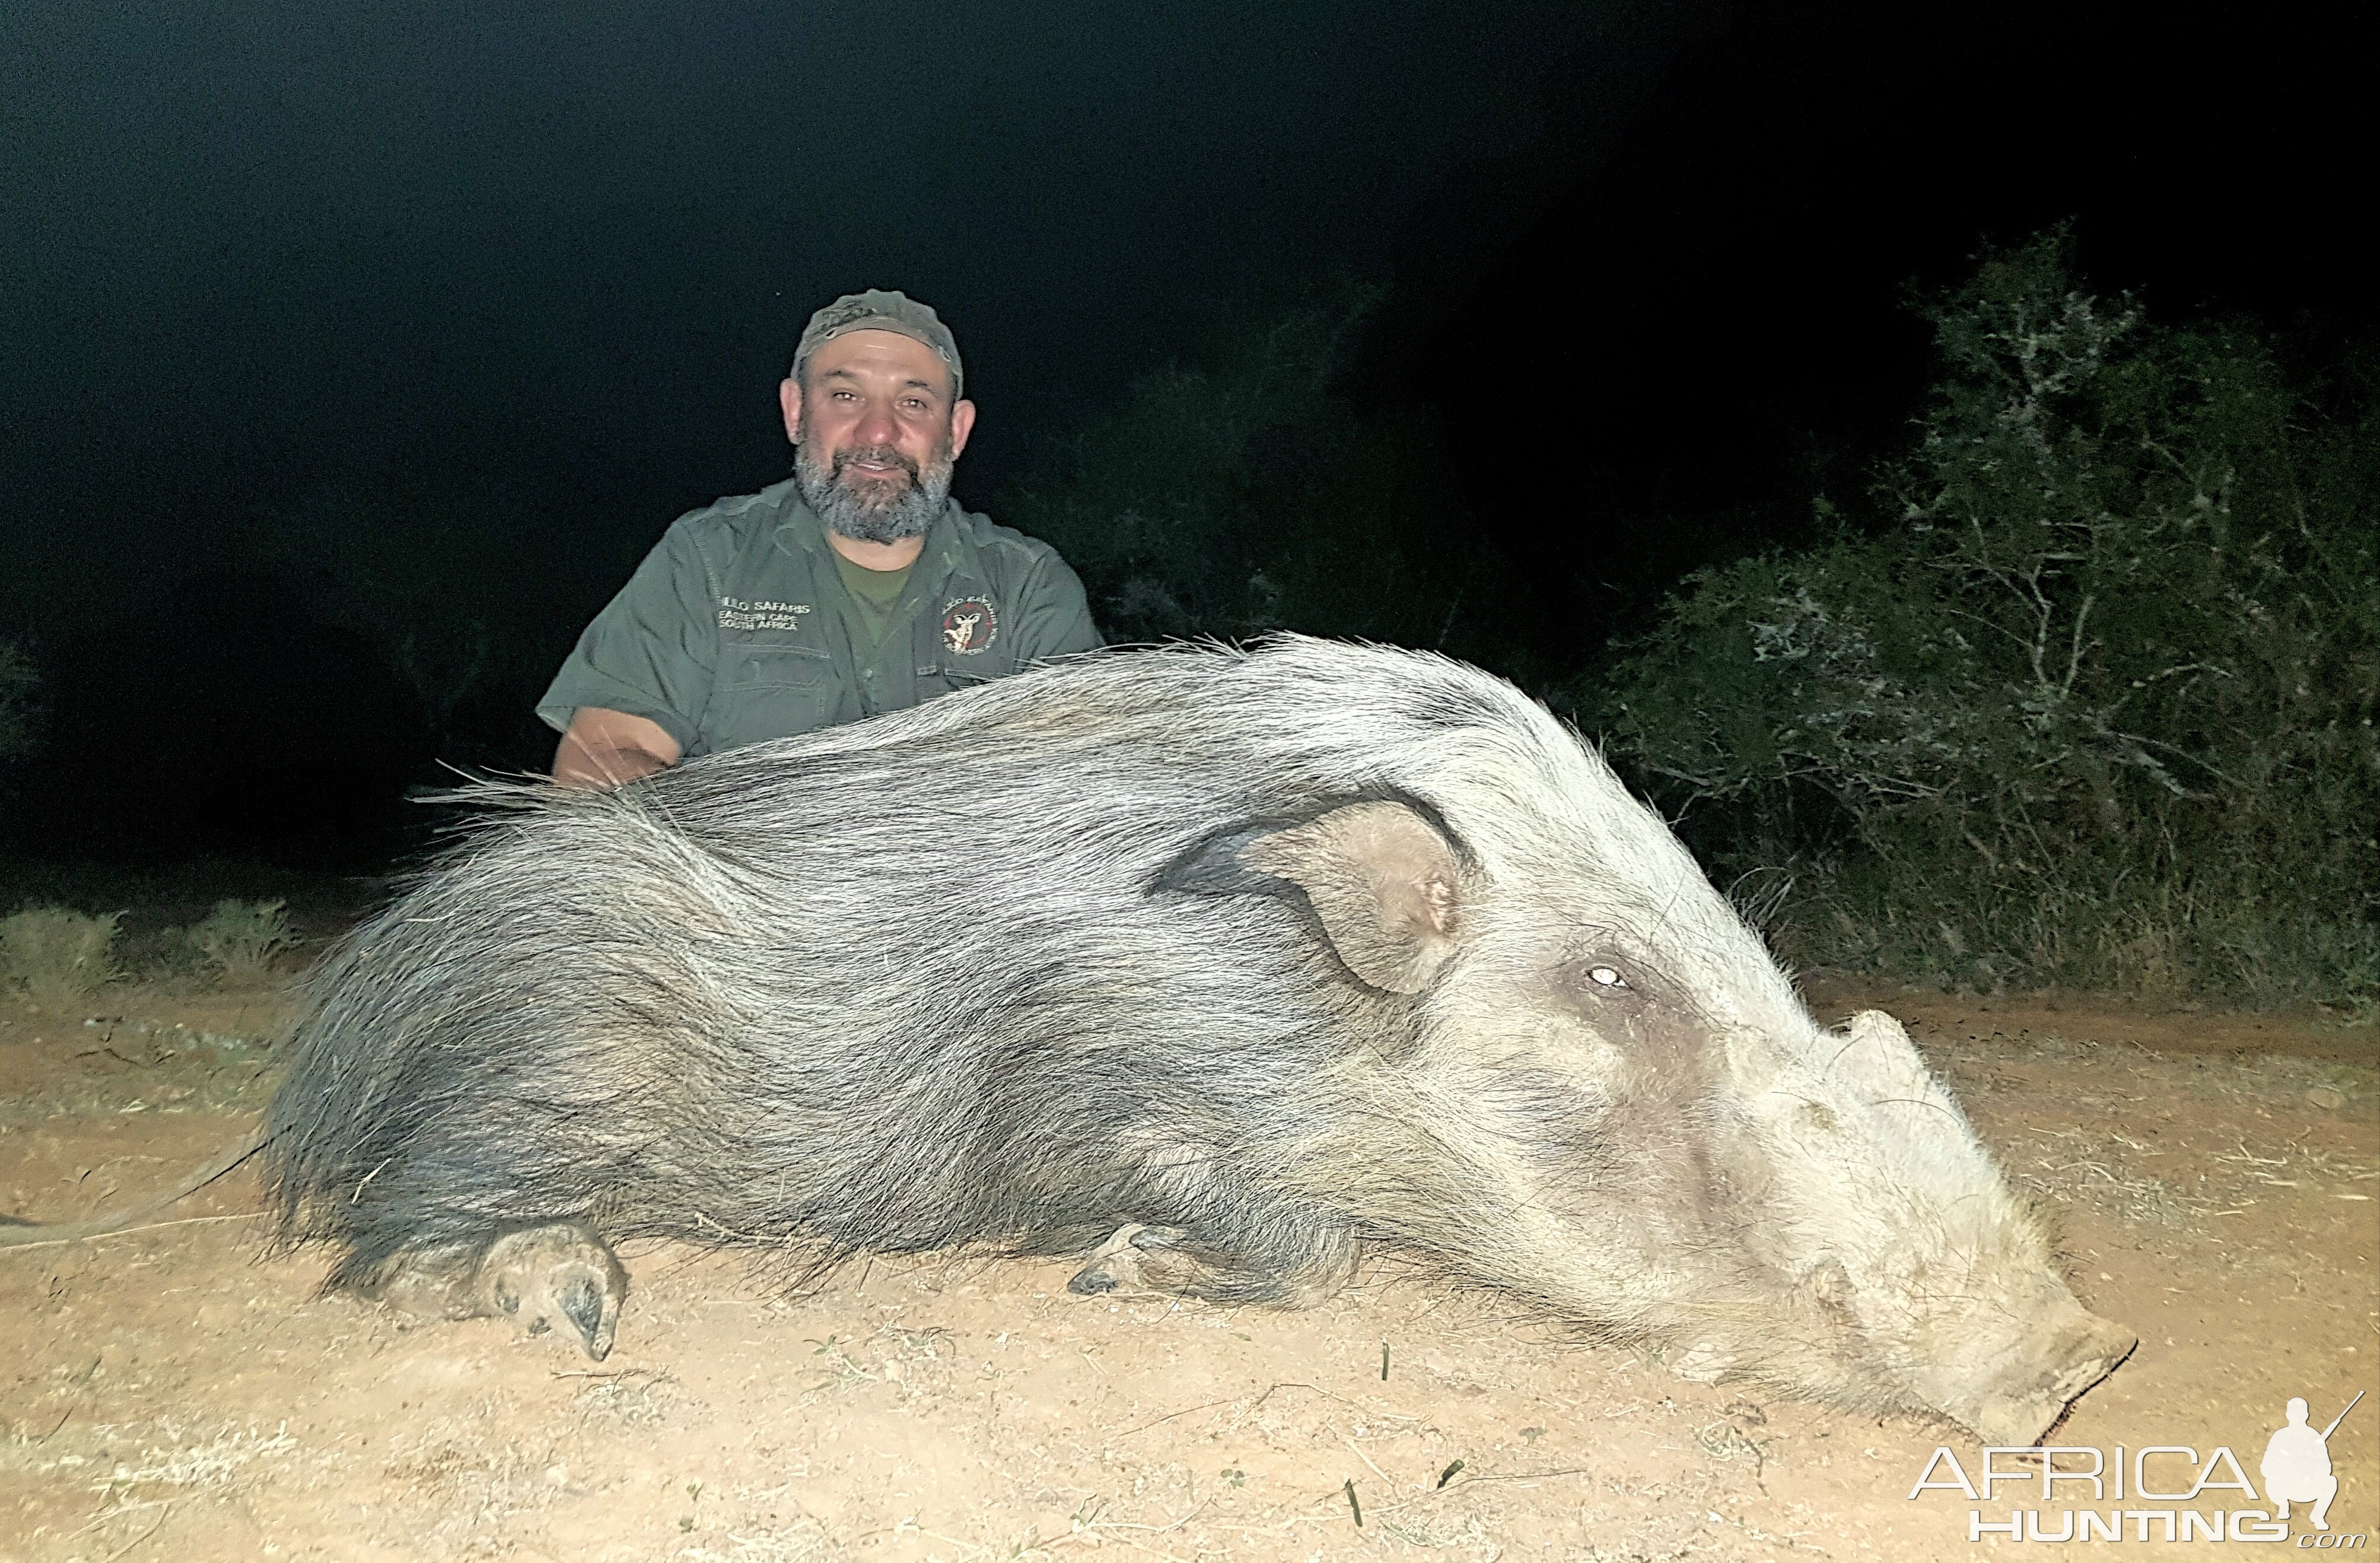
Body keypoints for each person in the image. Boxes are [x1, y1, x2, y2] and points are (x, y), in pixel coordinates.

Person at [539, 288, 1101, 787]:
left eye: (914, 402)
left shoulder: (1029, 587)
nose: (878, 433)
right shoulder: (707, 560)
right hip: (737, 900)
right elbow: (598, 764)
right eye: (845, 396)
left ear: (955, 431)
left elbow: (1089, 780)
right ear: (795, 411)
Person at [2261, 1396, 2340, 1530]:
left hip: (2307, 1488)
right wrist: (2285, 1467)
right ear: (2288, 1415)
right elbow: (2266, 1468)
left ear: (2306, 1415)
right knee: (2270, 1481)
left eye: (2300, 1414)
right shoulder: (2279, 1436)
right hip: (2284, 1488)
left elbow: (2327, 1468)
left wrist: (2310, 1466)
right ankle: (2283, 1505)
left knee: (2331, 1482)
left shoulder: (2314, 1437)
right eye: (2294, 1414)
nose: (2297, 1417)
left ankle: (2318, 1516)